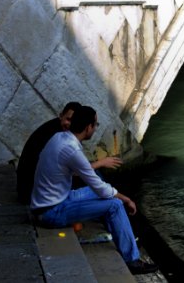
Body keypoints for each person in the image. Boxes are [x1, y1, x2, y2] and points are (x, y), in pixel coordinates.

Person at [31, 106, 158, 275]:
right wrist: (126, 199)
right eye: (96, 125)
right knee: (114, 204)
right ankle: (132, 260)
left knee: (104, 193)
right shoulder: (72, 150)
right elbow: (99, 187)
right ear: (88, 128)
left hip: (52, 201)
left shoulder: (59, 137)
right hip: (51, 212)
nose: (95, 128)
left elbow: (94, 184)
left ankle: (121, 231)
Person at [16, 102, 79, 204]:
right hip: (31, 192)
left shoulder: (56, 129)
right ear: (61, 116)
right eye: (68, 119)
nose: (70, 124)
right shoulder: (57, 134)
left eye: (74, 121)